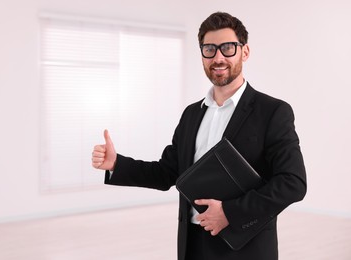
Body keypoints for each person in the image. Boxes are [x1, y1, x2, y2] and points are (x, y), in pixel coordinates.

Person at [92, 11, 307, 260]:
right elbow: (168, 172)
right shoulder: (192, 114)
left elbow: (293, 183)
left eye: (228, 48)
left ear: (244, 52)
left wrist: (229, 212)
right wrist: (117, 164)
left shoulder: (273, 111)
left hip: (244, 246)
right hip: (192, 244)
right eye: (209, 49)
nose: (218, 57)